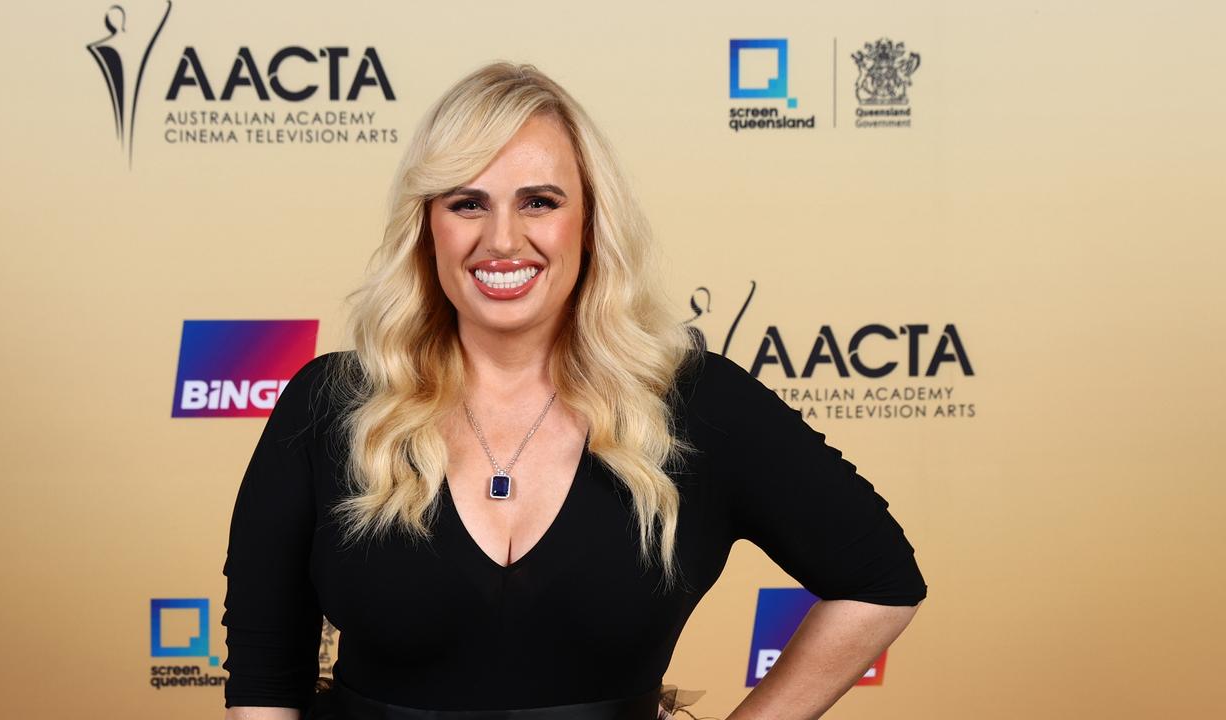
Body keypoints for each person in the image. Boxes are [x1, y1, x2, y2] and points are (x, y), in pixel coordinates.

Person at [221, 61, 927, 720]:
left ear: (589, 224)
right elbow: (265, 669)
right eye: (468, 202)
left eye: (539, 201)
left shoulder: (698, 405)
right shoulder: (328, 405)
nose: (502, 239)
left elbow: (880, 580)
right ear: (425, 226)